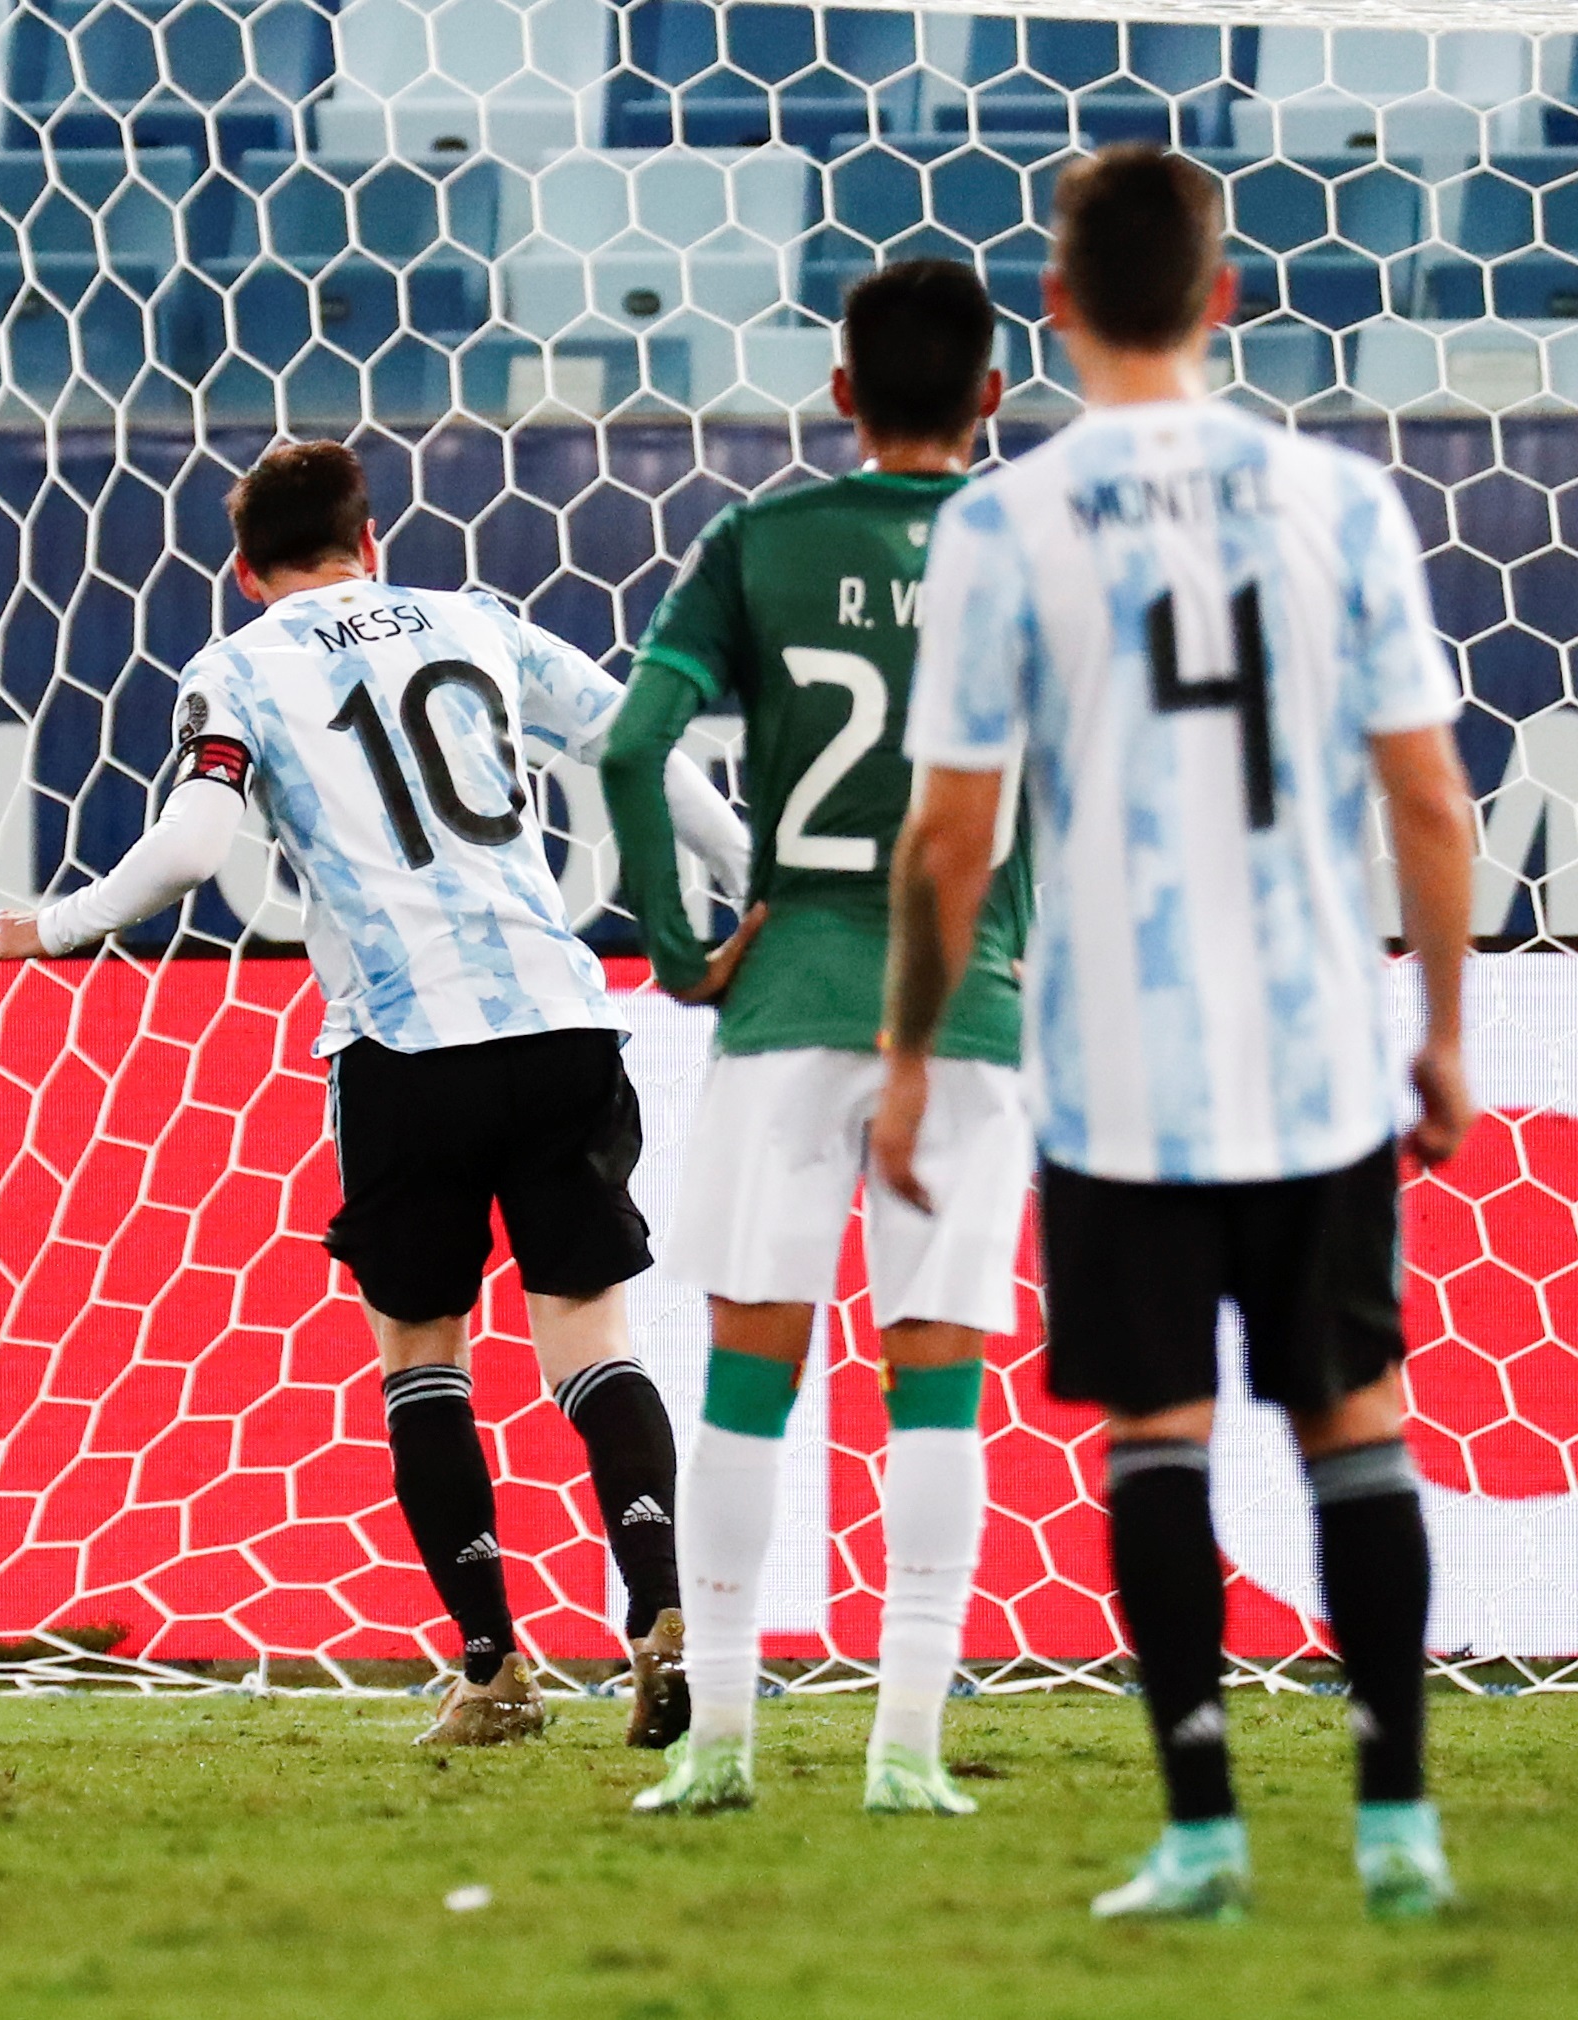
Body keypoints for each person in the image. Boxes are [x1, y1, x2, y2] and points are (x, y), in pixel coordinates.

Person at [874, 143, 1482, 1922]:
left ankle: (1204, 1830)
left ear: (1053, 315)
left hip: (1118, 1071)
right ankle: (1395, 1825)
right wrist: (1444, 1028)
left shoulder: (1005, 520)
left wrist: (912, 1057)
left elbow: (950, 834)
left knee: (1157, 1434)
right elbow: (1430, 799)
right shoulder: (1339, 500)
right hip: (1311, 1055)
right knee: (1355, 1421)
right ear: (1222, 298)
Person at [0, 440, 758, 1746]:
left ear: (242, 566)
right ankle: (661, 1611)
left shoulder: (237, 667)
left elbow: (200, 843)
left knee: (424, 1359)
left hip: (400, 1046)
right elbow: (638, 740)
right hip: (557, 1021)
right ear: (367, 538)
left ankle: (494, 1673)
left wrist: (61, 921)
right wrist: (746, 872)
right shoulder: (474, 622)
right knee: (594, 1345)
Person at [597, 259, 1025, 1819]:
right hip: (973, 1007)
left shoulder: (755, 544)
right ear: (991, 393)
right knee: (934, 1381)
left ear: (839, 394)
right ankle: (905, 1749)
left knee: (748, 1382)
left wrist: (680, 947)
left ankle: (718, 1744)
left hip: (781, 1007)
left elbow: (633, 744)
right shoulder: (1036, 551)